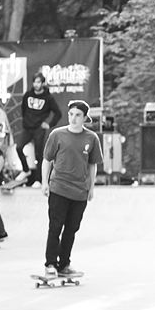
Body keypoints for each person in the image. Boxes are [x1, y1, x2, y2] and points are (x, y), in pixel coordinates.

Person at [41, 100, 102, 277]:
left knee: (71, 230)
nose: (73, 118)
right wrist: (44, 182)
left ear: (84, 118)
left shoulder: (91, 138)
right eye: (71, 114)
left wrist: (91, 187)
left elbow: (92, 165)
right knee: (55, 227)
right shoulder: (57, 135)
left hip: (79, 192)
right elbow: (47, 159)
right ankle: (50, 264)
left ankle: (64, 264)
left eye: (77, 115)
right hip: (59, 188)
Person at [15, 72, 62, 186]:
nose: (36, 84)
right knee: (19, 147)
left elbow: (58, 113)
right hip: (27, 127)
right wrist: (26, 120)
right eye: (34, 82)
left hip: (39, 129)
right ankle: (26, 170)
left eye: (38, 82)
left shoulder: (48, 98)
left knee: (39, 153)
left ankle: (38, 180)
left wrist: (49, 124)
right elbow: (24, 108)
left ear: (43, 83)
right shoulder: (28, 95)